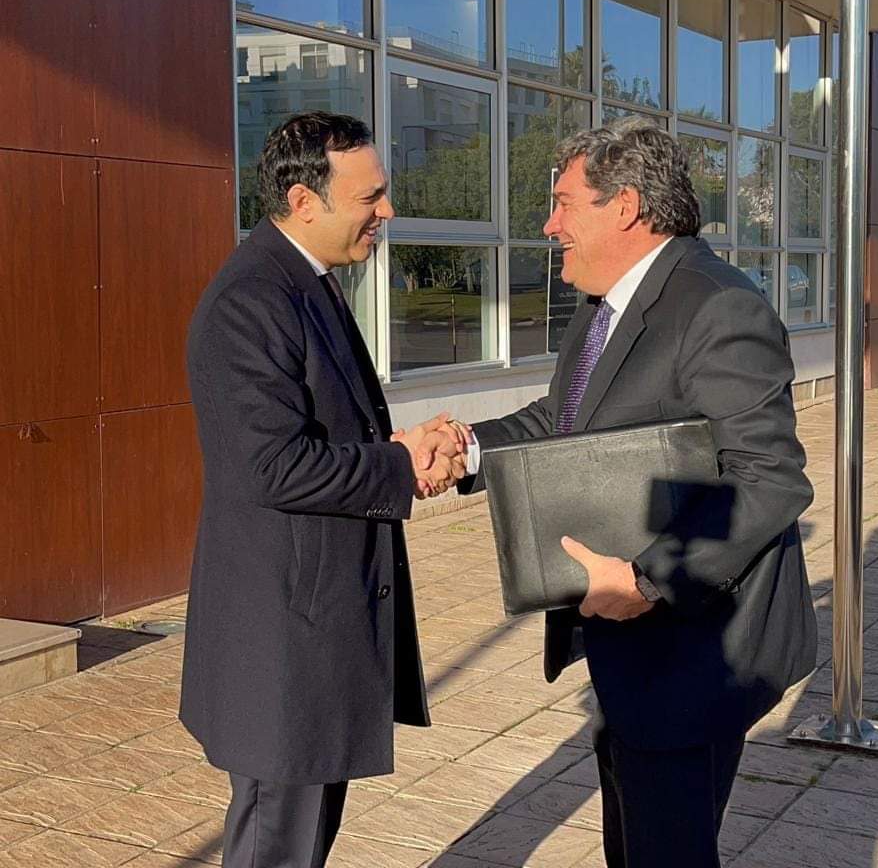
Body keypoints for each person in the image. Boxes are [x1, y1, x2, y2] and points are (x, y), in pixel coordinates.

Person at [435, 116, 817, 867]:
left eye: (563, 204)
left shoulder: (717, 305)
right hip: (631, 652)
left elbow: (767, 478)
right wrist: (465, 450)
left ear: (626, 206)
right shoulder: (605, 304)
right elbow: (561, 419)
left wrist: (647, 580)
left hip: (695, 655)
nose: (549, 227)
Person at [180, 112, 464, 868]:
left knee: (299, 840)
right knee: (278, 843)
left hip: (314, 634)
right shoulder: (252, 300)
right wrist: (400, 465)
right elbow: (273, 466)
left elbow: (330, 434)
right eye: (370, 196)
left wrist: (400, 449)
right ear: (304, 201)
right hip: (284, 644)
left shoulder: (308, 282)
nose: (387, 211)